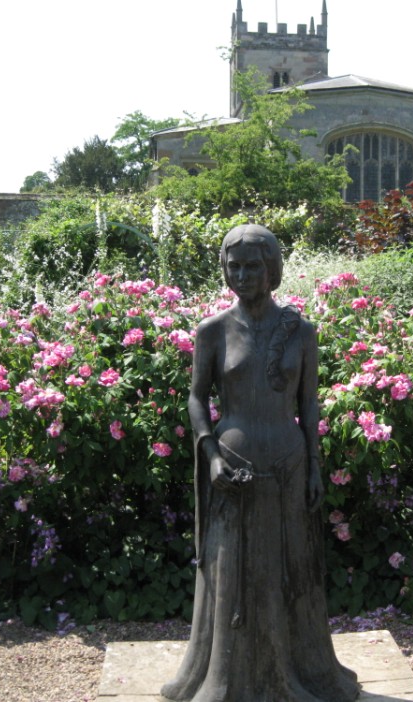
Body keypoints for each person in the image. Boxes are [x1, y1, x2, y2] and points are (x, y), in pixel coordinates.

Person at [161, 225, 359, 702]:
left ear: (273, 270)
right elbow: (196, 398)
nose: (243, 275)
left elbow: (308, 405)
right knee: (232, 571)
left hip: (288, 467)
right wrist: (209, 454)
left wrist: (314, 465)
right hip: (232, 468)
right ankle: (226, 681)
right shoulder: (212, 331)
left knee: (289, 570)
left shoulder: (301, 332)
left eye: (254, 266)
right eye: (235, 266)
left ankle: (295, 673)